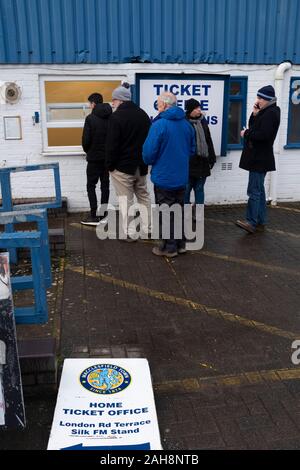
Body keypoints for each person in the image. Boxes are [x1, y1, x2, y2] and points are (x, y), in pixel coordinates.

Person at [143, 92, 195, 257]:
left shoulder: (159, 125)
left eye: (158, 104)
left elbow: (148, 154)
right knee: (178, 211)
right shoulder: (187, 125)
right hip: (181, 177)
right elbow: (192, 150)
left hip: (164, 176)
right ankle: (181, 244)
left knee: (165, 212)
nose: (157, 106)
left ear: (165, 105)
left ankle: (169, 248)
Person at [106, 83, 151, 241]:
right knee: (143, 196)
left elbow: (112, 144)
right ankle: (147, 229)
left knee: (126, 200)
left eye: (114, 100)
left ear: (120, 100)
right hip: (141, 165)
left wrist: (110, 165)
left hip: (122, 167)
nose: (112, 103)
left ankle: (130, 233)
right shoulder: (144, 115)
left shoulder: (116, 117)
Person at [236, 85, 280, 233]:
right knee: (259, 190)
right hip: (260, 158)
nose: (258, 100)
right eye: (258, 97)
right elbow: (254, 127)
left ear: (268, 99)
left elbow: (263, 135)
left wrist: (246, 133)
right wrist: (254, 114)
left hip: (259, 159)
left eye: (260, 98)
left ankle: (251, 222)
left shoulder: (271, 113)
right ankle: (260, 219)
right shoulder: (266, 111)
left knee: (253, 191)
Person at [81, 93, 112, 226]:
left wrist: (88, 151)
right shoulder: (111, 117)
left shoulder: (90, 118)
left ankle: (94, 214)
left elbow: (86, 140)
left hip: (94, 159)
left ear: (93, 103)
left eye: (89, 103)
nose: (89, 105)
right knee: (105, 186)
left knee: (91, 185)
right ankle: (103, 214)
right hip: (107, 159)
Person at [184, 98, 216, 215]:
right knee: (186, 190)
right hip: (188, 162)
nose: (199, 110)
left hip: (202, 162)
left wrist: (212, 158)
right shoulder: (184, 123)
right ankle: (186, 214)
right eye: (197, 108)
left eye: (199, 108)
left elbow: (208, 140)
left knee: (199, 189)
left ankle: (199, 214)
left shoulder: (203, 122)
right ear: (190, 110)